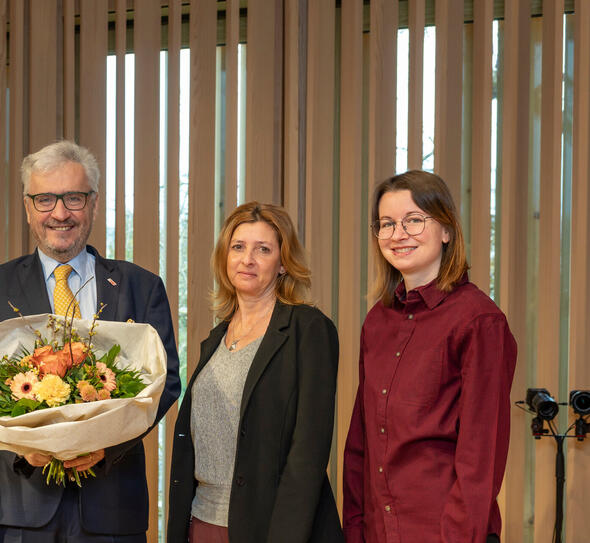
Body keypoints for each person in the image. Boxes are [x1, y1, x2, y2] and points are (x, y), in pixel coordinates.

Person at [0, 140, 182, 542]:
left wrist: (106, 449)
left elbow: (166, 382)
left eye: (73, 198)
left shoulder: (140, 287)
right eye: (45, 199)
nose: (60, 213)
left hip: (111, 505)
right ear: (28, 208)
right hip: (19, 502)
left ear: (93, 204)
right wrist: (20, 447)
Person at [342, 170, 517, 543]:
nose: (398, 234)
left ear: (446, 230)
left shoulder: (479, 321)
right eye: (386, 223)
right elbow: (363, 441)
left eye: (414, 220)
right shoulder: (378, 321)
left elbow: (480, 458)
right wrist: (355, 528)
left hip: (443, 532)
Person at [165, 202, 343, 543]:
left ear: (281, 264)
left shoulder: (308, 330)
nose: (248, 259)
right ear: (225, 258)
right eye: (238, 247)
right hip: (200, 523)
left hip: (271, 528)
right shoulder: (216, 339)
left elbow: (307, 454)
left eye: (263, 249)